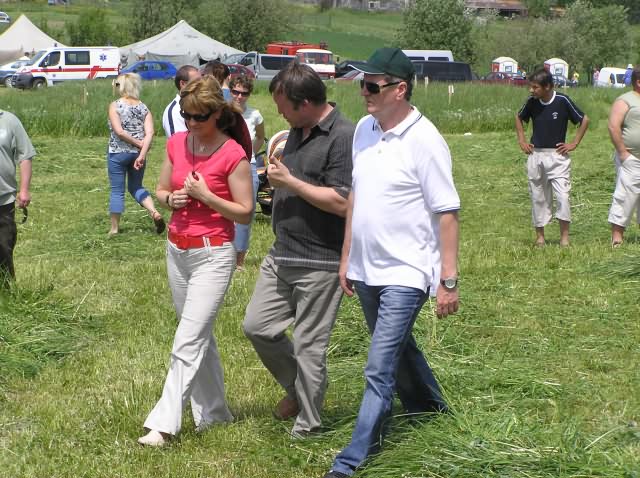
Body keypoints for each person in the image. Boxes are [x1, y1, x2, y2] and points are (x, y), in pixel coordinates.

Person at [323, 47, 460, 478]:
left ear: (399, 90)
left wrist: (448, 280)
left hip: (407, 271)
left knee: (378, 367)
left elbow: (447, 212)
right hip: (366, 268)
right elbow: (356, 196)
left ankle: (351, 461)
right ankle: (431, 410)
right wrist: (347, 255)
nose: (363, 92)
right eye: (362, 84)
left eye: (372, 86)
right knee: (398, 348)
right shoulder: (364, 129)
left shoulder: (425, 140)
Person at [138, 76, 253, 446]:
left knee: (186, 340)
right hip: (177, 249)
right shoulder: (176, 143)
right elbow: (161, 189)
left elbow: (246, 212)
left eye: (199, 117)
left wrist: (207, 196)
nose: (191, 123)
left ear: (217, 113)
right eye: (186, 115)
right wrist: (170, 200)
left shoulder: (233, 154)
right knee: (199, 335)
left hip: (213, 254)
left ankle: (163, 425)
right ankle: (215, 413)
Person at [242, 62, 355, 438]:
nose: (280, 115)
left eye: (283, 107)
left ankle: (308, 425)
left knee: (309, 346)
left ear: (305, 103)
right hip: (282, 253)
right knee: (257, 327)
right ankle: (297, 389)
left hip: (320, 260)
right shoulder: (294, 131)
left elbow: (343, 201)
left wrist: (290, 182)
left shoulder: (343, 136)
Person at [515, 68, 589, 247]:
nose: (531, 90)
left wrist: (574, 143)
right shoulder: (532, 102)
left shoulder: (562, 101)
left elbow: (584, 119)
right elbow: (518, 117)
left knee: (562, 196)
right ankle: (540, 238)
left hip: (557, 156)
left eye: (535, 87)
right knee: (538, 196)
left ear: (547, 86)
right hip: (536, 155)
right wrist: (522, 140)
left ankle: (564, 238)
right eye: (531, 87)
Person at [107, 73, 165, 235]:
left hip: (117, 153)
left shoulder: (115, 106)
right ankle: (154, 212)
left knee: (117, 191)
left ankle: (114, 229)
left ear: (122, 87)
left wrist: (137, 143)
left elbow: (119, 131)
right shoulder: (143, 107)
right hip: (138, 155)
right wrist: (142, 153)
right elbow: (150, 133)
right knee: (136, 186)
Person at [229, 75, 265, 270]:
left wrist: (250, 152)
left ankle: (239, 261)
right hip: (225, 166)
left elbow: (260, 136)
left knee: (246, 213)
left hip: (247, 166)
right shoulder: (222, 113)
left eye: (244, 93)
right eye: (236, 92)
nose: (239, 96)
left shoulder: (255, 115)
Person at [0, 110, 34, 286]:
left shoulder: (9, 121)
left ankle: (7, 292)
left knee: (4, 247)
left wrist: (24, 190)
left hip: (4, 199)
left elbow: (25, 155)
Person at [608, 65, 640, 246]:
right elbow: (613, 126)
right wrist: (623, 153)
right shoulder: (625, 100)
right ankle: (617, 237)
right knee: (625, 196)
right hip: (632, 158)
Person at [162, 65, 201, 137]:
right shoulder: (175, 111)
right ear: (182, 84)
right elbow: (178, 142)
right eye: (196, 82)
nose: (202, 85)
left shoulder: (201, 106)